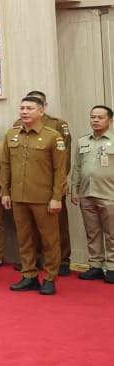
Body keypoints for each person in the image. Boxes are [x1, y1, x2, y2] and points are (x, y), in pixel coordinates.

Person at [2, 96, 68, 295]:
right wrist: (5, 192)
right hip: (19, 197)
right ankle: (29, 275)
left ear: (41, 111)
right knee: (25, 238)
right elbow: (5, 166)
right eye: (22, 108)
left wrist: (57, 197)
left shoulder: (53, 136)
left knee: (50, 240)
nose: (24, 112)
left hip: (43, 198)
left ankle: (49, 278)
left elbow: (60, 170)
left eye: (30, 108)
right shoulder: (12, 135)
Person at [69, 105, 114, 283]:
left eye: (100, 117)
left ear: (110, 121)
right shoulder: (82, 141)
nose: (95, 120)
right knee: (92, 232)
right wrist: (74, 190)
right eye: (93, 117)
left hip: (109, 193)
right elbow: (77, 168)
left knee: (111, 233)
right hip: (87, 193)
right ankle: (95, 265)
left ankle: (111, 266)